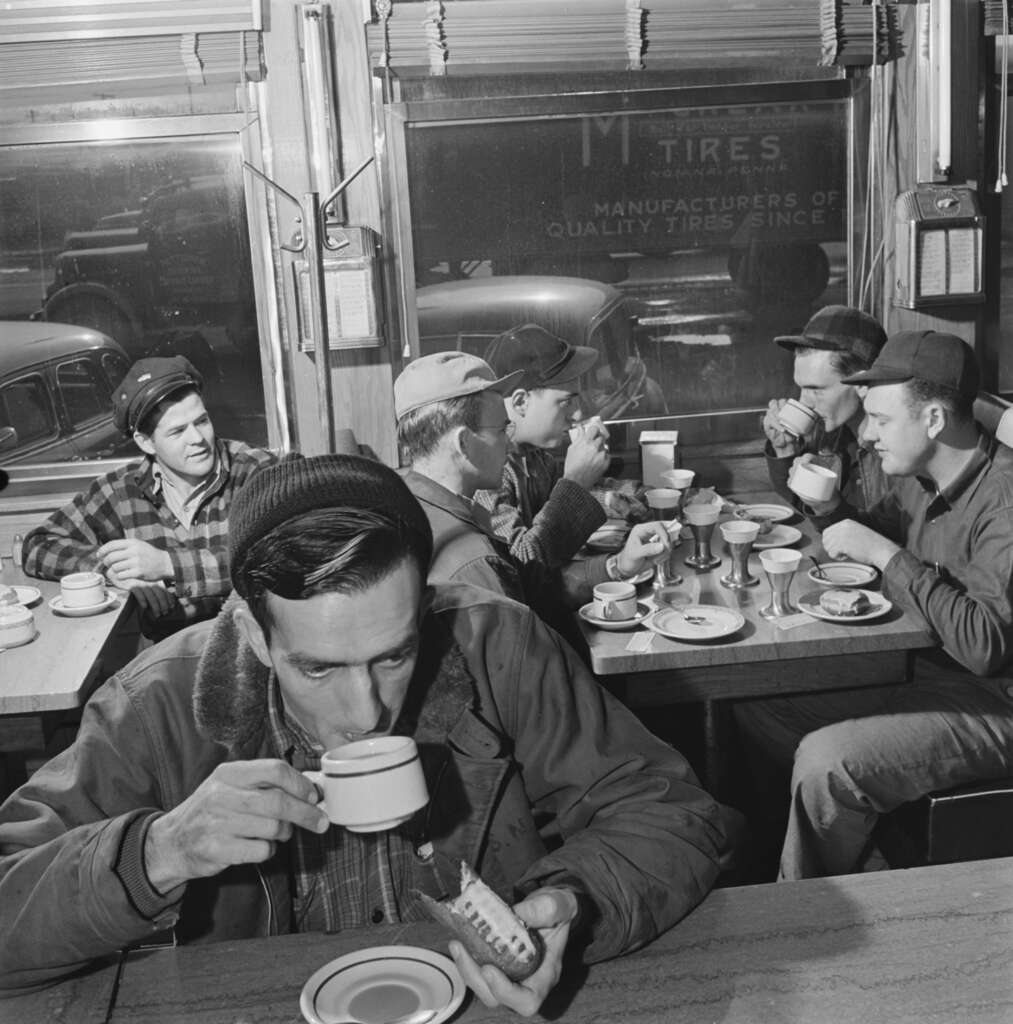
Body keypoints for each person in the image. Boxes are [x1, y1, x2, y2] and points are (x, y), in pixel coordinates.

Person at [0, 454, 735, 1008]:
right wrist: (158, 850)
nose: (365, 713)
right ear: (254, 635)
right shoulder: (155, 705)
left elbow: (671, 811)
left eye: (393, 656)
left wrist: (571, 901)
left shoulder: (496, 645)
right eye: (319, 669)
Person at [737, 330, 1013, 880]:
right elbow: (874, 537)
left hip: (996, 702)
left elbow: (986, 647)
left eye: (882, 421)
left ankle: (804, 914)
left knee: (826, 761)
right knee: (757, 707)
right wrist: (832, 510)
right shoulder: (921, 475)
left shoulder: (1004, 501)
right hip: (931, 673)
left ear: (933, 419)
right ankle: (853, 863)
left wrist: (888, 557)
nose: (867, 434)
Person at [20, 356, 276, 639]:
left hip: (249, 647)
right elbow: (37, 546)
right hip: (164, 656)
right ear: (146, 442)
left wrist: (165, 564)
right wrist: (109, 569)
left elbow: (276, 560)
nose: (198, 439)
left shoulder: (255, 471)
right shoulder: (120, 489)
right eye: (178, 431)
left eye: (201, 421)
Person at [395, 351, 670, 613]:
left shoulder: (450, 508)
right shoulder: (468, 556)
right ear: (464, 443)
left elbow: (528, 583)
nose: (508, 440)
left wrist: (618, 565)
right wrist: (574, 483)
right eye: (502, 429)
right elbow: (525, 578)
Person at [473, 323, 614, 582]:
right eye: (565, 402)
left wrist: (624, 499)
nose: (578, 414)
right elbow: (525, 563)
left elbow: (556, 509)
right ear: (520, 402)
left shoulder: (537, 460)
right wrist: (577, 482)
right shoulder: (488, 477)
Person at [762, 305, 889, 512]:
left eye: (816, 390)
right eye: (801, 387)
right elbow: (811, 508)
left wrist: (830, 507)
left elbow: (877, 537)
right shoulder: (834, 435)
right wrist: (785, 449)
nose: (805, 402)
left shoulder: (895, 451)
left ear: (861, 383)